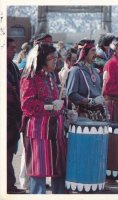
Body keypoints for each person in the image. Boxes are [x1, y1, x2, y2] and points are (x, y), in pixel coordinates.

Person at [20, 43, 66, 194]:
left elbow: (57, 100)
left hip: (55, 132)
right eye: (50, 58)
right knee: (38, 172)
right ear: (41, 60)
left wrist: (63, 110)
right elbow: (27, 104)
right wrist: (51, 106)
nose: (55, 61)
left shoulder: (52, 76)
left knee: (59, 171)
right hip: (38, 132)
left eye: (55, 57)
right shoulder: (30, 78)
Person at [66, 39, 106, 121]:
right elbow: (71, 94)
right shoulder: (76, 70)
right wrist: (91, 101)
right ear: (84, 53)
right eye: (92, 51)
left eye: (95, 51)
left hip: (98, 115)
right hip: (83, 116)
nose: (95, 54)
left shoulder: (94, 71)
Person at [7, 37, 26, 194]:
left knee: (10, 151)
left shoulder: (12, 66)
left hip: (13, 116)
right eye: (11, 47)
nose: (14, 50)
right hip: (6, 115)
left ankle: (9, 185)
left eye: (15, 47)